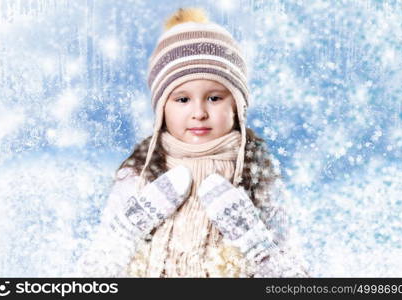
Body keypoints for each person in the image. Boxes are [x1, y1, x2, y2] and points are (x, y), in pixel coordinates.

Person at [75, 7, 309, 278]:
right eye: (182, 99)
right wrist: (125, 233)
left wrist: (257, 245)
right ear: (162, 107)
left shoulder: (256, 176)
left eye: (214, 98)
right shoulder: (140, 175)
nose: (199, 112)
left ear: (238, 105)